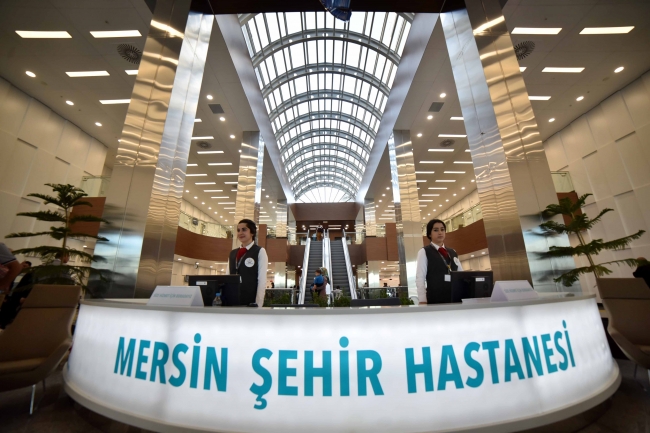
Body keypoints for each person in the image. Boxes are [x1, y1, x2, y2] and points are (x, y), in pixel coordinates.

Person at [416, 219, 463, 305]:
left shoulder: (452, 252)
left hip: (455, 298)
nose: (440, 232)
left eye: (442, 229)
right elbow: (420, 277)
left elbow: (461, 275)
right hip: (435, 299)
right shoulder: (424, 252)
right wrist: (422, 300)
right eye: (436, 230)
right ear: (429, 234)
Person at [226, 219, 268, 307]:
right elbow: (227, 277)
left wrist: (258, 303)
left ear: (252, 232)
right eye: (238, 230)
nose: (240, 233)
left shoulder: (259, 251)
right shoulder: (232, 253)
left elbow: (262, 280)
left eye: (244, 229)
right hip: (232, 300)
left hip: (250, 301)